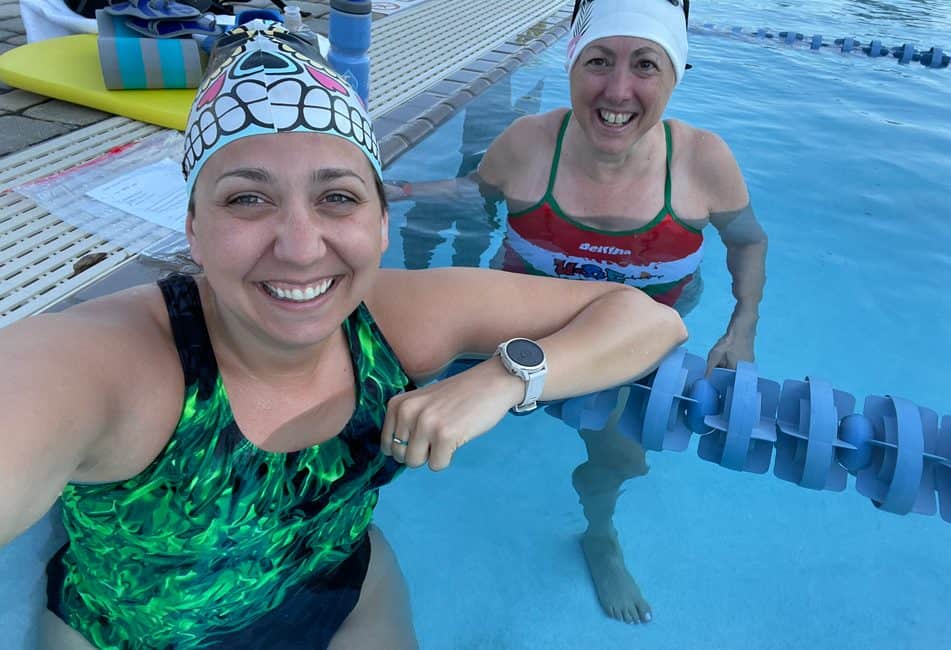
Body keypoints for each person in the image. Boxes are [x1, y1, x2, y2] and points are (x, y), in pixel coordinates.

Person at [0, 24, 687, 649]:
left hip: (335, 587)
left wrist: (504, 378)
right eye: (247, 198)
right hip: (125, 630)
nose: (301, 248)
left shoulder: (393, 321)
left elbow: (648, 318)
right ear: (192, 232)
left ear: (382, 226)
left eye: (338, 198)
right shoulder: (114, 362)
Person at [387, 0, 768, 626]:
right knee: (405, 388)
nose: (617, 90)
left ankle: (599, 533)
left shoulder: (703, 162)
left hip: (627, 343)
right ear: (570, 64)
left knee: (623, 455)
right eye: (598, 61)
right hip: (513, 326)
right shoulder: (527, 144)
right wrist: (401, 192)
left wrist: (742, 326)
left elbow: (748, 240)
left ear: (677, 73)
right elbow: (474, 197)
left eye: (645, 64)